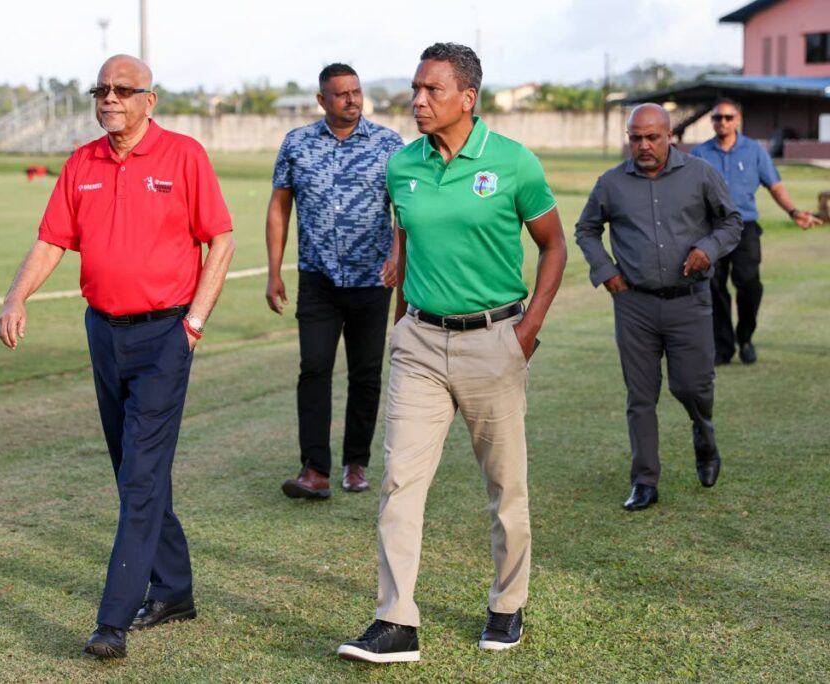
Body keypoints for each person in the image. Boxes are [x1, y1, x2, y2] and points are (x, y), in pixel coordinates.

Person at [0, 54, 235, 659]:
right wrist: (16, 296)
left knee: (140, 476)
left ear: (149, 100)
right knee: (135, 469)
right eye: (101, 89)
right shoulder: (82, 163)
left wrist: (194, 324)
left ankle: (113, 619)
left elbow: (222, 238)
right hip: (103, 332)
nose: (110, 99)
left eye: (124, 90)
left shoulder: (184, 157)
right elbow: (53, 239)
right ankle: (175, 589)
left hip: (165, 337)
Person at [338, 43, 566, 663]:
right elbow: (405, 247)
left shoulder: (513, 163)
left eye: (432, 90)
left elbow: (553, 247)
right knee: (398, 481)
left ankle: (506, 604)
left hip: (495, 341)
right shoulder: (402, 166)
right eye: (415, 88)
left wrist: (526, 332)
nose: (417, 100)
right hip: (417, 343)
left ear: (468, 97)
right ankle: (396, 621)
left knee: (504, 486)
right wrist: (399, 326)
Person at [575, 103, 742, 512]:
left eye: (652, 137)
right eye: (636, 138)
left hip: (690, 301)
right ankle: (645, 480)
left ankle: (703, 431)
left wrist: (708, 248)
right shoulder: (611, 183)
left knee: (691, 387)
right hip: (634, 304)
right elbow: (587, 229)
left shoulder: (701, 174)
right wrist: (605, 270)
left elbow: (731, 222)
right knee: (640, 395)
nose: (644, 145)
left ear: (670, 135)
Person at [267, 63, 403, 499]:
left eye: (356, 92)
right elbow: (279, 207)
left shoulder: (388, 144)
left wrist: (399, 256)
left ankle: (356, 464)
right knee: (314, 369)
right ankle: (315, 470)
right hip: (318, 280)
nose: (352, 100)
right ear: (322, 100)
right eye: (341, 94)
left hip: (371, 281)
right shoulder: (297, 144)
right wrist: (274, 270)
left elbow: (406, 207)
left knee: (365, 373)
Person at [690, 98, 823, 365]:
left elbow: (775, 186)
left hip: (744, 227)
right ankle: (723, 346)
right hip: (711, 229)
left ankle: (746, 337)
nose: (722, 122)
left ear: (737, 119)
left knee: (749, 285)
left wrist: (794, 212)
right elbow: (685, 192)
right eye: (718, 118)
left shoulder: (754, 151)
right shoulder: (699, 153)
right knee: (714, 287)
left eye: (728, 118)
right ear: (712, 121)